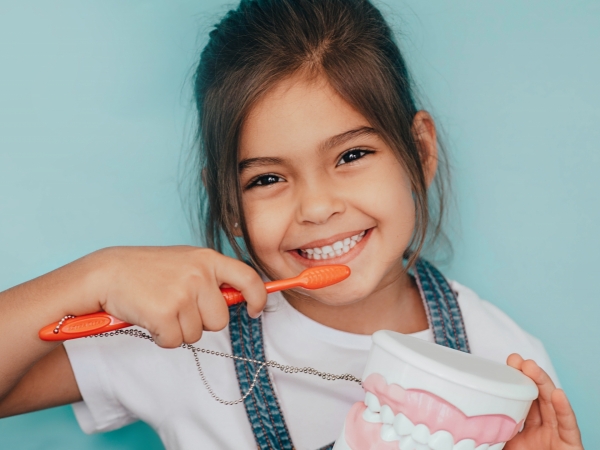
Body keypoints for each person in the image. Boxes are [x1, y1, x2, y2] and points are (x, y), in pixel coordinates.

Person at [0, 0, 583, 448]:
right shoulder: (185, 336)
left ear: (420, 151)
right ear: (229, 203)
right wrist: (95, 276)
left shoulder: (503, 363)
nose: (316, 208)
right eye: (267, 179)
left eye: (352, 156)